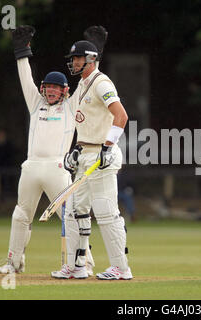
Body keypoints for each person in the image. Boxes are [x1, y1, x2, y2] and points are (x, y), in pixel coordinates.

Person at [0, 25, 94, 277]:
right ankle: (13, 262)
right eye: (47, 87)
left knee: (70, 217)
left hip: (57, 169)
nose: (50, 90)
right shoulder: (35, 104)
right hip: (30, 168)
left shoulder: (71, 107)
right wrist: (21, 51)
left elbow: (87, 81)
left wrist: (94, 52)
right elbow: (25, 77)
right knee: (20, 215)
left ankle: (86, 262)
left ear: (64, 90)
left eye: (55, 87)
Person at [51, 26, 132, 280]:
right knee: (75, 211)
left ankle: (121, 268)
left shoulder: (101, 82)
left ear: (91, 60)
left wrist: (108, 147)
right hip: (85, 155)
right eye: (73, 59)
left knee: (106, 212)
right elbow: (81, 122)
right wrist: (75, 150)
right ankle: (78, 266)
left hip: (101, 155)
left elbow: (121, 116)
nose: (73, 63)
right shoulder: (82, 86)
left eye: (77, 58)